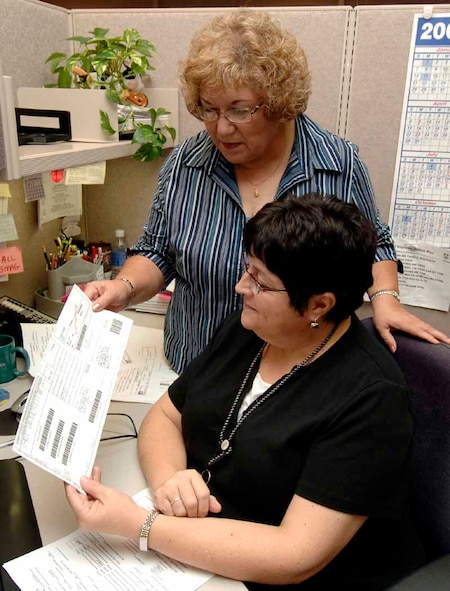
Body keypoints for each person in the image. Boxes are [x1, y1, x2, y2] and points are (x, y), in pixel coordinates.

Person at [67, 194, 425, 590]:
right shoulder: (251, 328)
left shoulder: (372, 399)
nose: (241, 287)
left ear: (319, 305)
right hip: (207, 553)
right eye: (247, 269)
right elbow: (166, 415)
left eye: (260, 281)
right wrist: (171, 480)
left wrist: (140, 524)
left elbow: (294, 556)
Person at [83, 9, 449, 374]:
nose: (222, 129)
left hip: (299, 378)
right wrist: (124, 288)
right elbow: (157, 251)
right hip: (198, 366)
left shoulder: (335, 162)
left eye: (240, 111)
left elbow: (375, 244)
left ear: (278, 103)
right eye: (209, 110)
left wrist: (385, 300)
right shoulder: (186, 164)